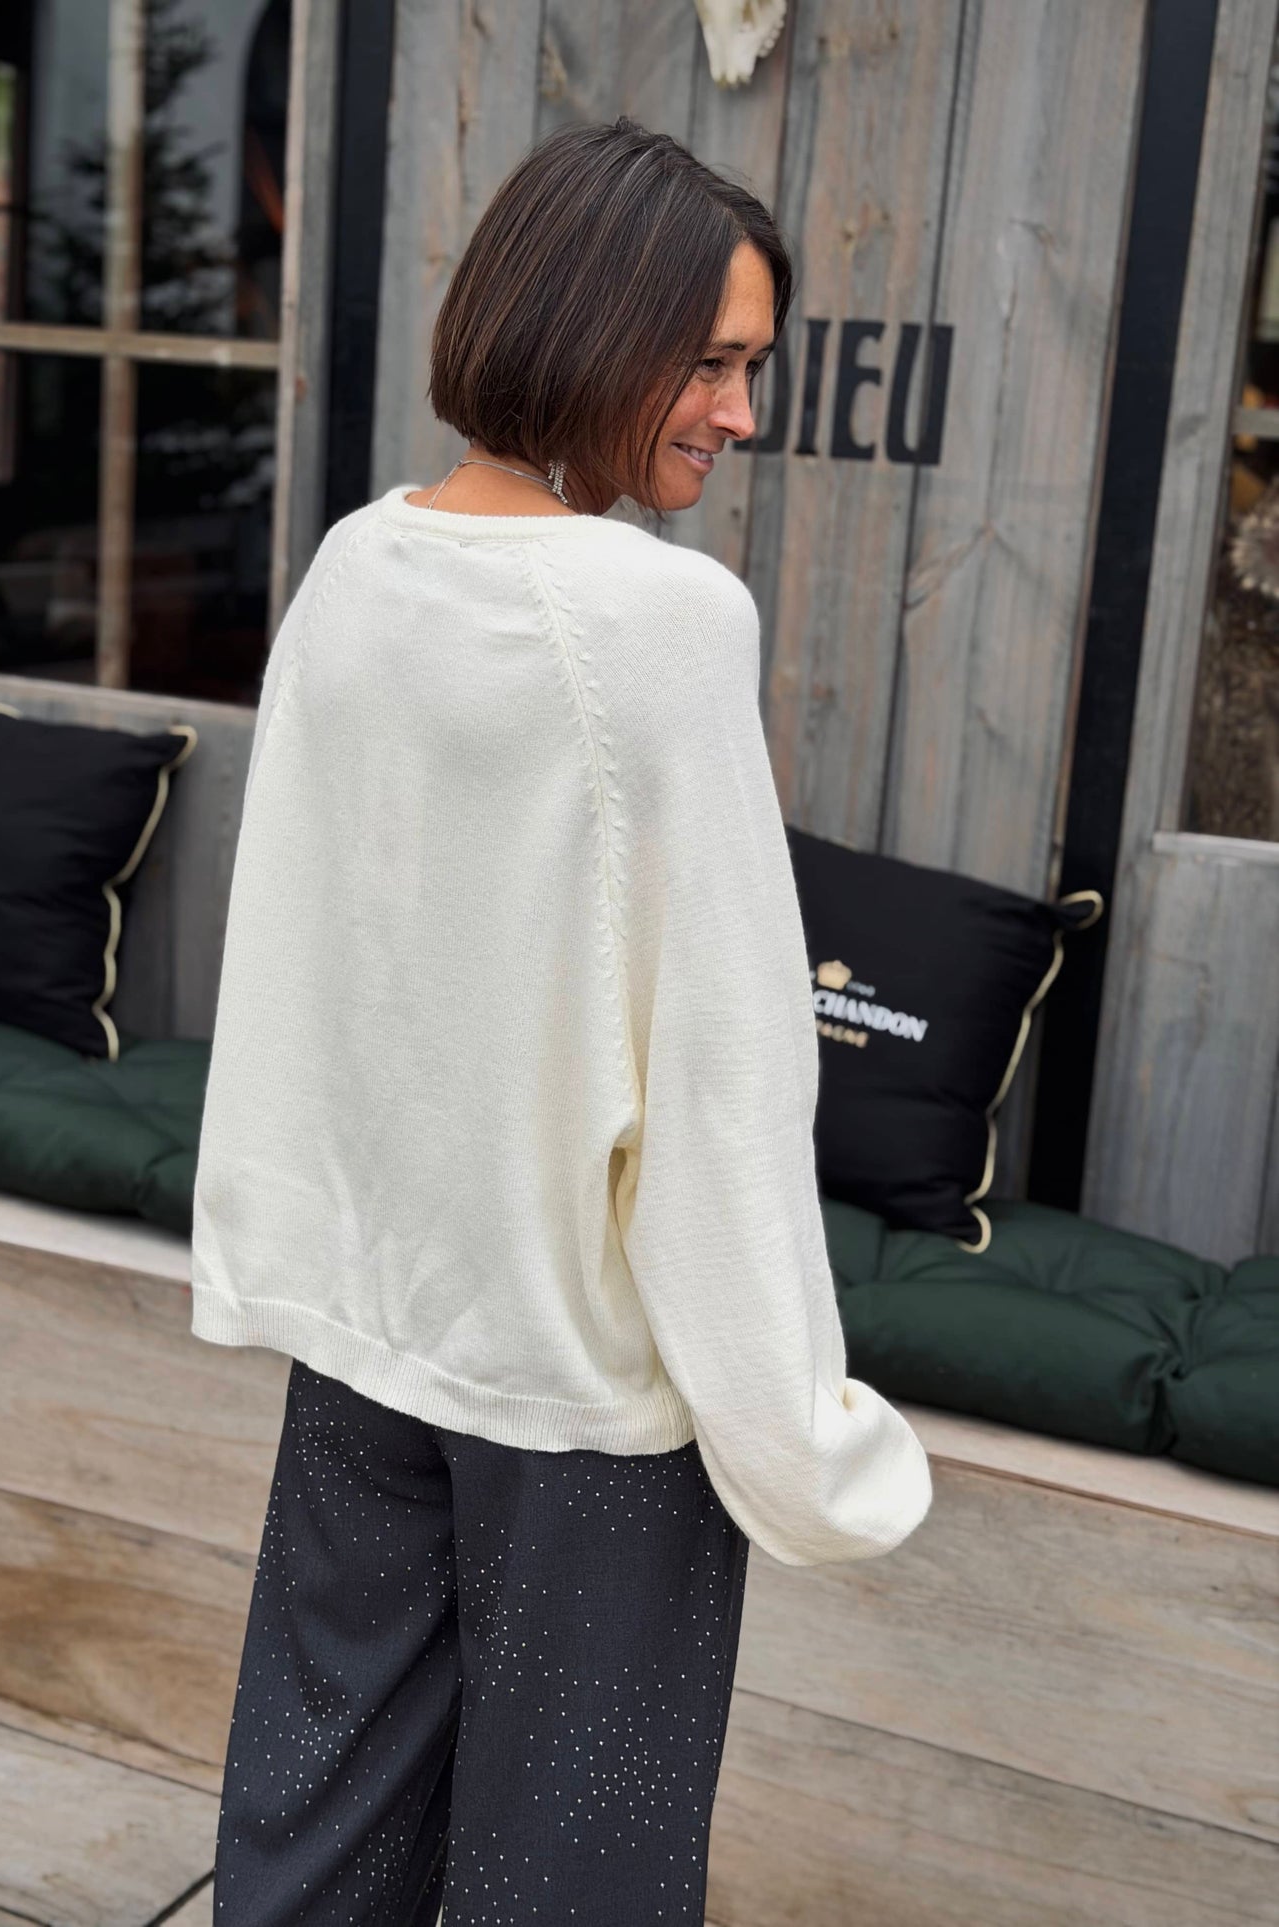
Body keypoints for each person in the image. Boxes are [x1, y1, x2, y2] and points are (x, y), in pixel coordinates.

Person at [190, 114, 932, 1925]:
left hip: (370, 1338)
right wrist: (803, 1444)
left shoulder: (356, 563)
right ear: (595, 332)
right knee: (571, 1890)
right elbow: (723, 1081)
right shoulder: (662, 620)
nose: (740, 415)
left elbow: (306, 960)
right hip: (585, 1401)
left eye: (749, 368)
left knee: (313, 1844)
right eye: (714, 364)